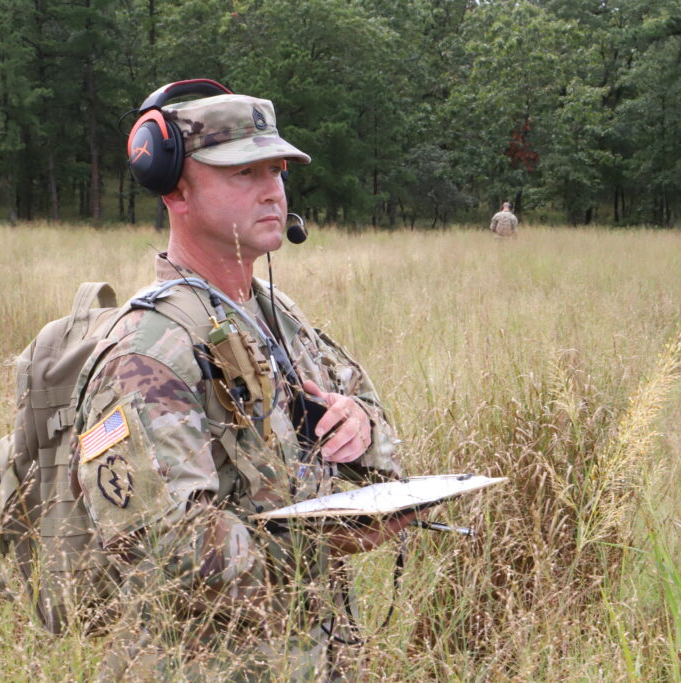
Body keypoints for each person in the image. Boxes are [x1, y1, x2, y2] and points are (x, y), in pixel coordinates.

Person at [75, 85, 411, 679]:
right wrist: (330, 542)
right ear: (173, 184)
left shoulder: (279, 318)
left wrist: (361, 426)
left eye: (277, 170)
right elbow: (158, 547)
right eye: (243, 172)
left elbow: (381, 440)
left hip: (313, 652)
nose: (272, 191)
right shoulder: (147, 351)